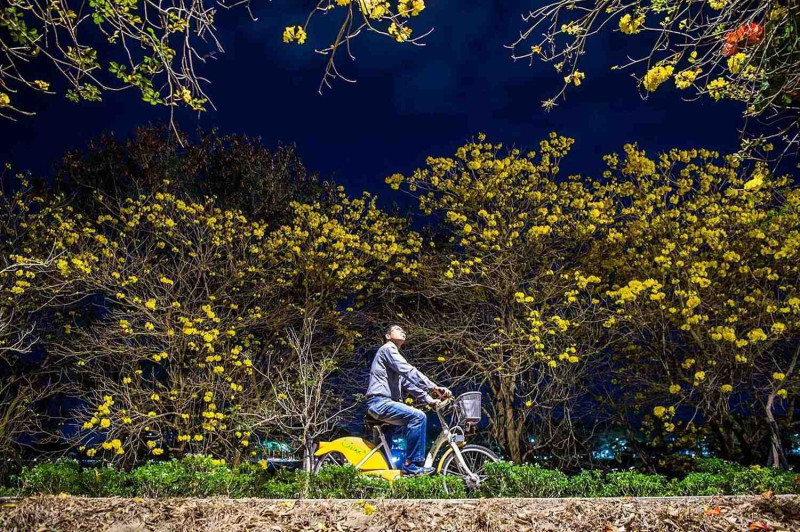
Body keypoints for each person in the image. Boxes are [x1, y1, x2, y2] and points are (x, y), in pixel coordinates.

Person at [365, 324, 452, 475]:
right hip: (380, 402)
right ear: (387, 336)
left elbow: (409, 383)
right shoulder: (388, 349)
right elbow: (408, 370)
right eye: (398, 329)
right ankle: (411, 464)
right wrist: (434, 387)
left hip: (385, 404)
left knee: (384, 448)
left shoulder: (392, 360)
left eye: (404, 330)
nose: (403, 332)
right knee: (418, 417)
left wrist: (430, 400)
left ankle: (381, 475)